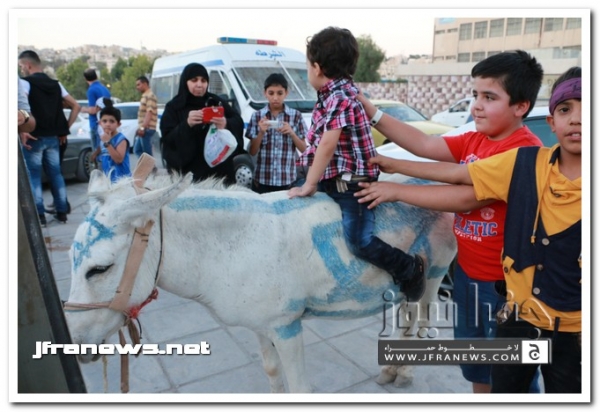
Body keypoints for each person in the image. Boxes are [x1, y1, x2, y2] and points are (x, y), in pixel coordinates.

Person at [356, 67, 582, 393]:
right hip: (467, 274)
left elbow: (466, 197)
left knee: (515, 375)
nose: (476, 105)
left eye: (489, 97)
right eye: (475, 95)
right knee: (479, 363)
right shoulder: (476, 139)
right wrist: (371, 112)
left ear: (521, 106)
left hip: (505, 288)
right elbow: (425, 143)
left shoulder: (524, 154)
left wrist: (396, 189)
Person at [287, 26, 425, 301]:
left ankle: (408, 268)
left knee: (359, 242)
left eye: (307, 66)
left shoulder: (340, 97)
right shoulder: (340, 92)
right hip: (334, 178)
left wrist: (310, 184)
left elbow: (328, 144)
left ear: (317, 68)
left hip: (353, 186)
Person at [18, 49, 80, 225]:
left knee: (34, 177)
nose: (21, 69)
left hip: (34, 137)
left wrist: (23, 130)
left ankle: (40, 216)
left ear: (27, 65)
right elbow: (76, 106)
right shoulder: (56, 84)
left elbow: (23, 110)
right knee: (56, 174)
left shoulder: (24, 83)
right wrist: (64, 128)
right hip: (54, 138)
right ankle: (62, 212)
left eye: (21, 66)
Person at [160, 63, 244, 184]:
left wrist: (225, 123)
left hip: (218, 174)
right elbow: (168, 139)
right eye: (194, 80)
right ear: (185, 82)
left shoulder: (215, 101)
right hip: (188, 174)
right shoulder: (174, 107)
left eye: (203, 80)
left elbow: (237, 121)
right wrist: (187, 124)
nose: (199, 84)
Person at [246, 73, 307, 194]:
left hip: (287, 181)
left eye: (279, 93)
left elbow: (304, 149)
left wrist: (292, 133)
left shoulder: (296, 116)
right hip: (262, 181)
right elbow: (252, 151)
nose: (275, 98)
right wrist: (261, 133)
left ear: (286, 93)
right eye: (271, 93)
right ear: (265, 93)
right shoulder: (257, 116)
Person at [95, 98, 131, 183]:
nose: (108, 124)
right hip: (109, 180)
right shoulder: (104, 138)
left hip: (121, 181)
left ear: (118, 124)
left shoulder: (121, 139)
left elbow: (118, 160)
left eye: (112, 121)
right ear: (100, 123)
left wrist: (107, 143)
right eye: (104, 121)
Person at [82, 67, 111, 152]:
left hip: (96, 123)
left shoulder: (91, 90)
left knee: (97, 151)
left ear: (85, 79)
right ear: (96, 76)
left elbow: (93, 110)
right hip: (106, 123)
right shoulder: (104, 88)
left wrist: (84, 109)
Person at [134, 76, 158, 157]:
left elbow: (149, 112)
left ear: (145, 84)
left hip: (147, 128)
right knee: (137, 150)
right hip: (144, 128)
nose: (137, 87)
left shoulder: (150, 96)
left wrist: (142, 128)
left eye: (139, 84)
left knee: (147, 154)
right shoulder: (145, 95)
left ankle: (149, 164)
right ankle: (148, 164)